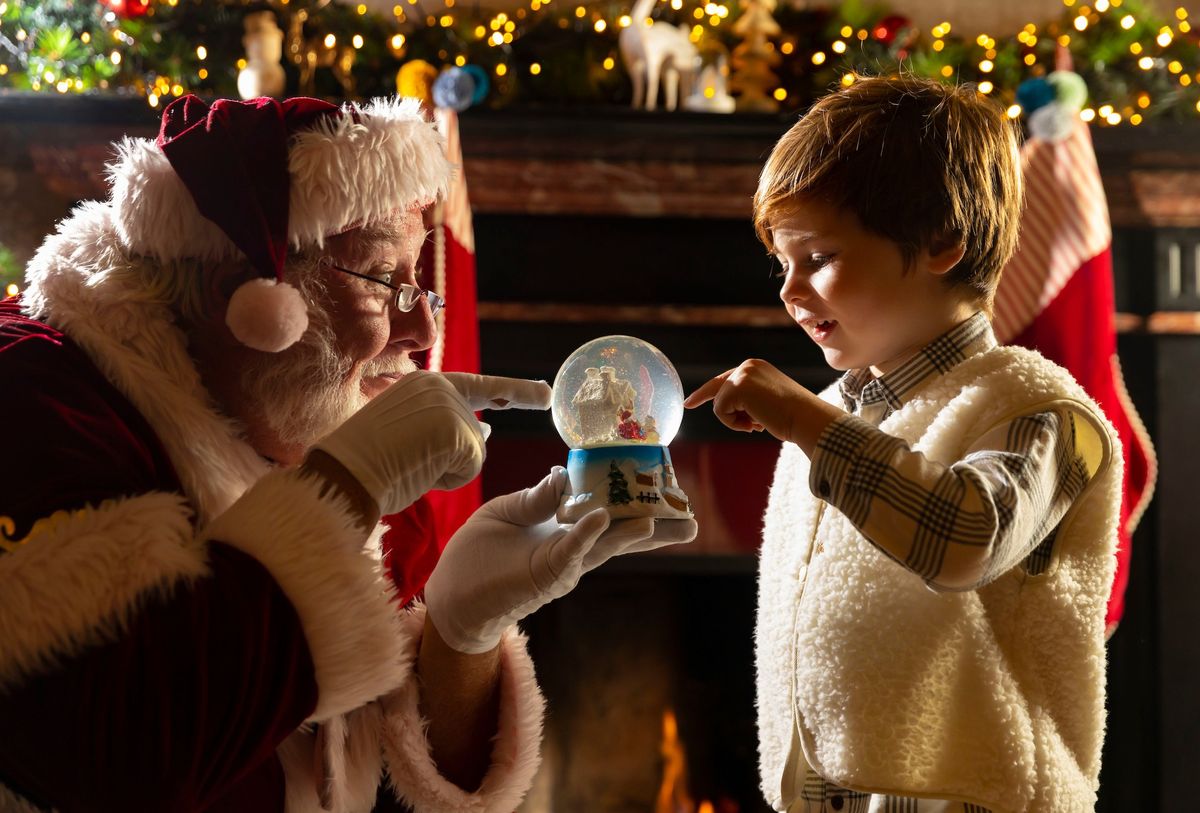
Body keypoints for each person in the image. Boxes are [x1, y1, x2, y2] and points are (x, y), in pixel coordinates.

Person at [0, 95, 696, 812]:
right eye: (383, 282)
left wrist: (462, 632)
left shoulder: (308, 421)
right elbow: (110, 753)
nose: (423, 329)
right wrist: (339, 495)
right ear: (239, 293)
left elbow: (398, 782)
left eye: (422, 285)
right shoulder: (33, 397)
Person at [685, 76, 1122, 812]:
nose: (790, 291)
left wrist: (809, 425)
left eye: (818, 257)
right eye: (782, 264)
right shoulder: (827, 423)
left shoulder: (1041, 411)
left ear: (942, 241)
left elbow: (966, 536)